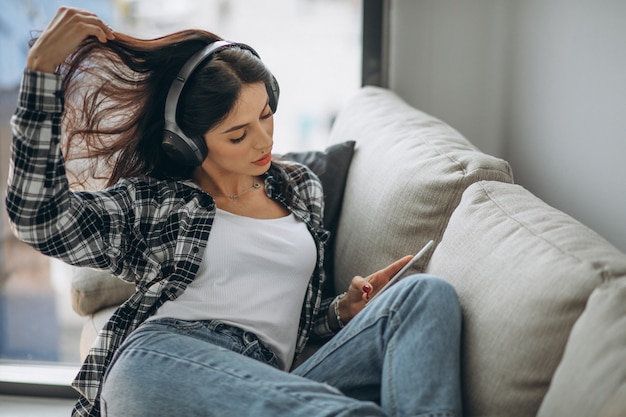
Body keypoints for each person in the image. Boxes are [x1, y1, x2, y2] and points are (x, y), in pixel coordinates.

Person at [6, 7, 463, 417]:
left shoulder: (299, 188)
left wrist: (341, 311)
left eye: (266, 115)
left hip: (271, 383)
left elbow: (285, 319)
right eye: (238, 134)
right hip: (164, 364)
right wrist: (40, 73)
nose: (264, 141)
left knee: (425, 295)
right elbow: (40, 219)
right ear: (187, 143)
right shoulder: (159, 204)